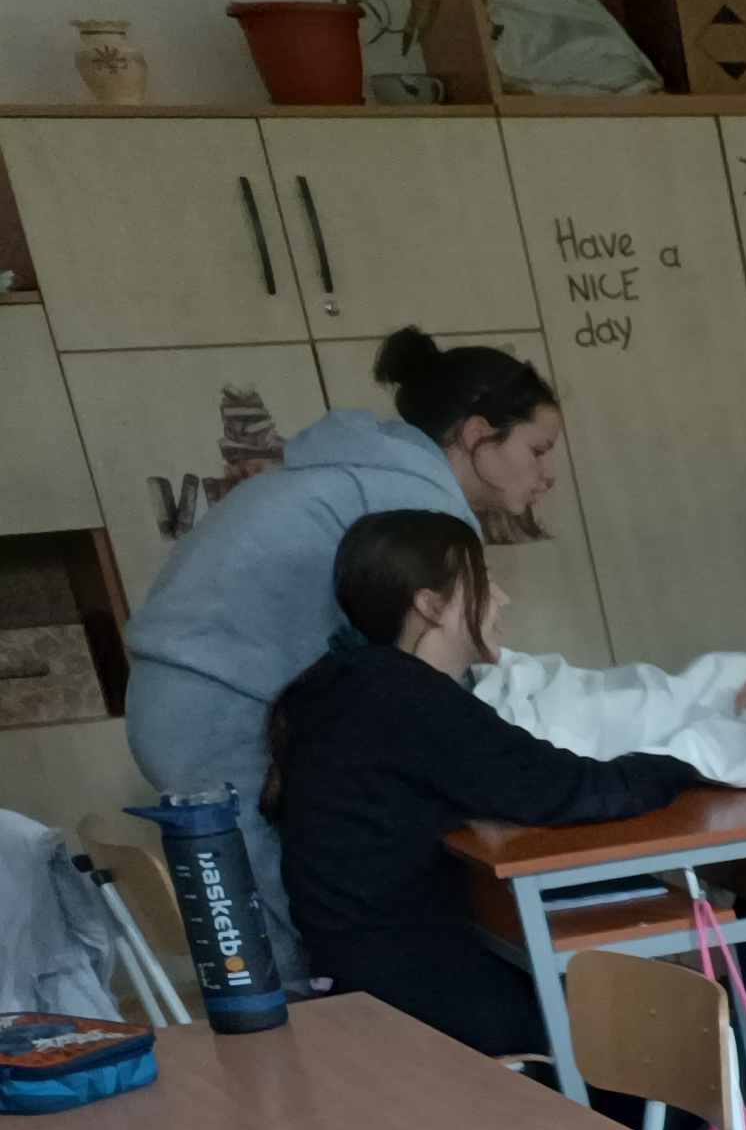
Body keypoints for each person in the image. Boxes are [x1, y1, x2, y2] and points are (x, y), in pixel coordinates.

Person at [123, 329, 578, 983]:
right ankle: (339, 1031)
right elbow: (421, 689)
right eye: (537, 449)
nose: (548, 474)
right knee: (304, 932)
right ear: (479, 435)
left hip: (179, 693)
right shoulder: (415, 506)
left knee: (285, 914)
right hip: (222, 706)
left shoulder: (355, 471)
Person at [262, 512, 704, 1059]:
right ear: (431, 605)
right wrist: (694, 761)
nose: (502, 599)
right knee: (643, 1037)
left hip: (353, 973)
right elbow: (567, 789)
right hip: (410, 990)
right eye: (483, 582)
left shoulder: (338, 682)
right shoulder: (408, 698)